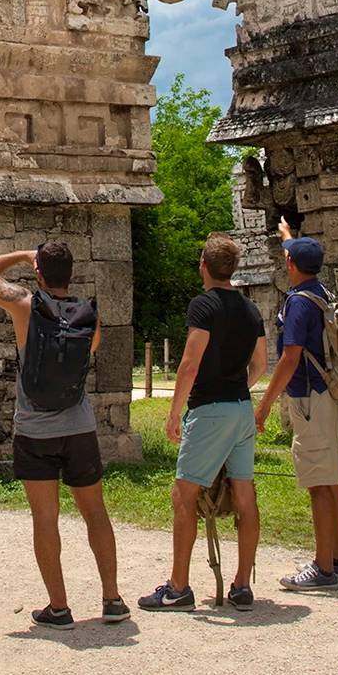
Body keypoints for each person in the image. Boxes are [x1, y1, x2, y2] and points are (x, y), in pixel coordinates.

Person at [0, 241, 130, 627]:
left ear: (39, 273)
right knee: (95, 512)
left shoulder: (26, 305)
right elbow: (91, 350)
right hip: (79, 426)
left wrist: (22, 256)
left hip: (35, 429)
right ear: (70, 273)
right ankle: (112, 598)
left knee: (45, 517)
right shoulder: (88, 315)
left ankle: (59, 607)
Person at [138, 233, 267, 613]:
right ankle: (242, 585)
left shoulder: (203, 305)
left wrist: (174, 411)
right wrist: (237, 388)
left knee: (184, 494)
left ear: (204, 267)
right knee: (245, 494)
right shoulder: (250, 309)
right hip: (241, 408)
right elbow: (261, 364)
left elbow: (190, 363)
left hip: (209, 409)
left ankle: (179, 587)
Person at [254, 225, 338, 590]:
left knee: (318, 482)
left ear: (291, 265)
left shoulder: (297, 304)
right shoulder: (320, 292)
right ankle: (335, 557)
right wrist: (287, 235)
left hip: (307, 397)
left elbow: (289, 358)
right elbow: (296, 251)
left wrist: (264, 405)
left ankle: (322, 569)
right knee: (331, 477)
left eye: (287, 257)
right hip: (324, 393)